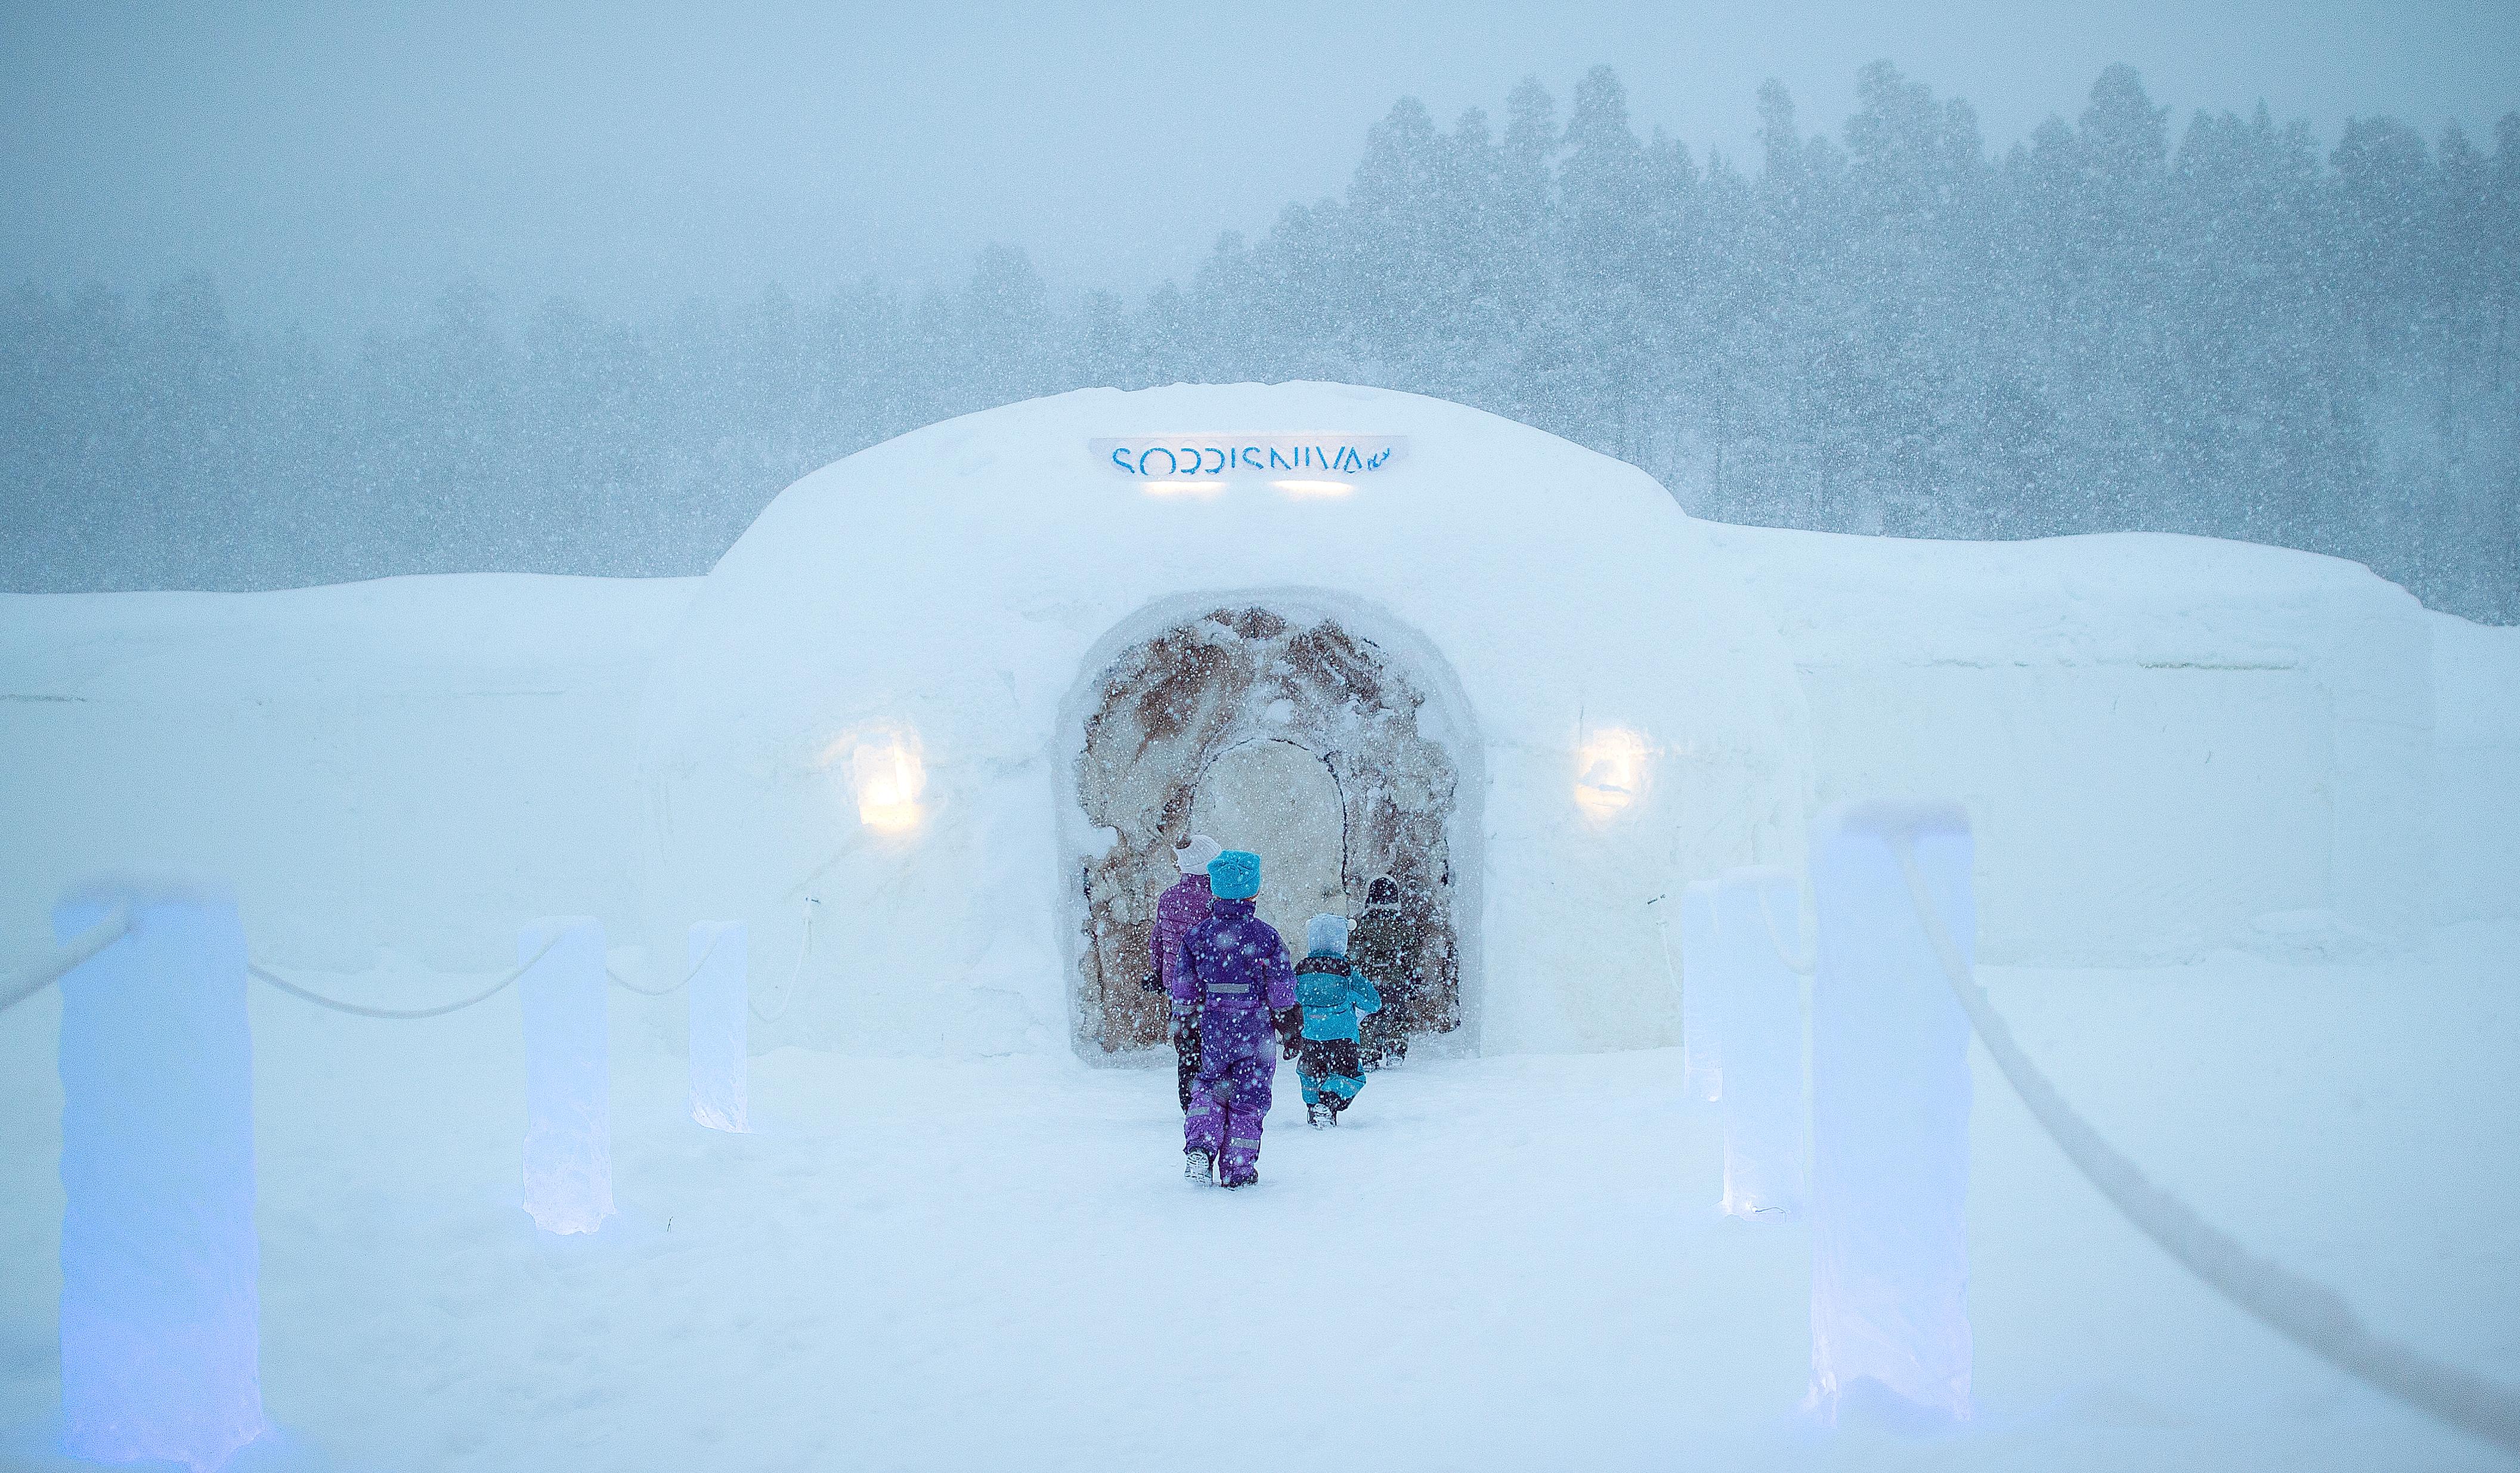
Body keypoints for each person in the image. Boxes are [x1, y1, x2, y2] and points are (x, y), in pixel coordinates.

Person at [1170, 849, 1301, 1189]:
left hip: (1213, 1029)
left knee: (1209, 1089)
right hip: (1255, 1033)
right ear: (1253, 892)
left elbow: (1183, 987)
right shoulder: (1267, 937)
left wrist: (1184, 1024)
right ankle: (1239, 1167)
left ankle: (1200, 1146)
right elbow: (1282, 990)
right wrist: (1288, 1023)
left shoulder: (1197, 937)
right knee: (1249, 1099)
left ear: (1215, 890)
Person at [1147, 834, 1223, 1112]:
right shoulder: (1216, 900)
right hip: (1211, 984)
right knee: (1215, 1040)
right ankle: (1212, 1097)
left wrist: (1157, 970)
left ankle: (1189, 1098)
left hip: (1178, 985)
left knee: (1188, 1042)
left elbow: (1158, 938)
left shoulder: (1168, 898)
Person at [1293, 914, 1382, 1127]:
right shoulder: (1346, 973)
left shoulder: (1300, 971)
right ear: (1341, 940)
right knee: (1350, 1075)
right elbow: (1373, 1002)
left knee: (1311, 1072)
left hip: (1311, 1035)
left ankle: (1314, 1106)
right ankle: (1329, 1102)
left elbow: (1287, 999)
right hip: (1343, 1037)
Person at [1351, 875, 1425, 1068]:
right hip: (1396, 982)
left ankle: (1368, 1052)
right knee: (1397, 1015)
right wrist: (1413, 980)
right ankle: (1395, 1049)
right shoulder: (1403, 926)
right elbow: (1412, 956)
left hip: (1369, 982)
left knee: (1369, 1017)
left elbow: (1354, 955)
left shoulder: (1361, 925)